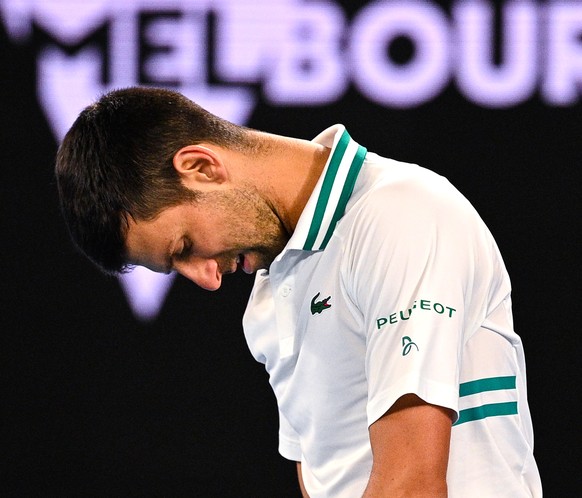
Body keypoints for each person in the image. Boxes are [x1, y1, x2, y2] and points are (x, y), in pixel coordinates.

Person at [55, 86, 542, 497]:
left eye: (185, 245)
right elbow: (325, 477)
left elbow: (412, 484)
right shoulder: (271, 293)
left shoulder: (399, 216)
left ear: (201, 167)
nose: (206, 278)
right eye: (176, 267)